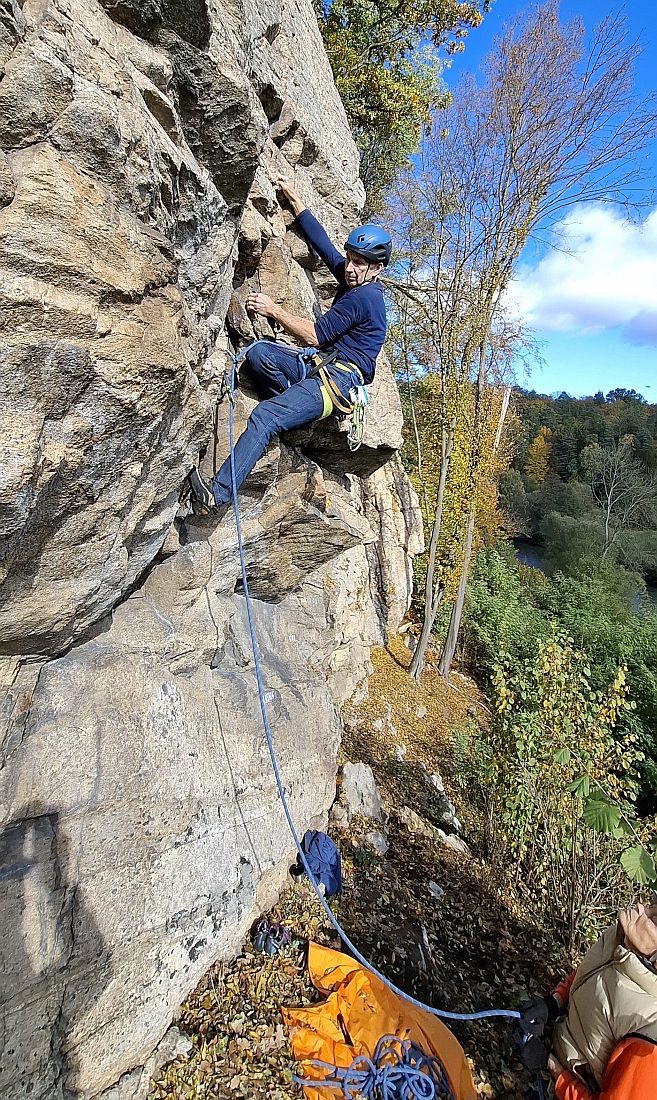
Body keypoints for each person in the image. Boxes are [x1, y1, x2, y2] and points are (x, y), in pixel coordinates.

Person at [187, 175, 392, 514]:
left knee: (266, 416)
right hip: (319, 367)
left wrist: (273, 309)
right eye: (351, 258)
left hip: (336, 383)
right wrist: (295, 200)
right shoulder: (354, 279)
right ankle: (291, 414)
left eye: (360, 263)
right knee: (259, 354)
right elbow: (323, 245)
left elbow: (315, 335)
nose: (351, 268)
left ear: (377, 269)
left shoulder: (366, 298)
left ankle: (216, 497)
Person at [517, 902, 657, 1099]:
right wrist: (553, 1003)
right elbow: (590, 975)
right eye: (652, 903)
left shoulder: (649, 1038)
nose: (642, 908)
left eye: (655, 919)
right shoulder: (621, 941)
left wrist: (550, 1066)